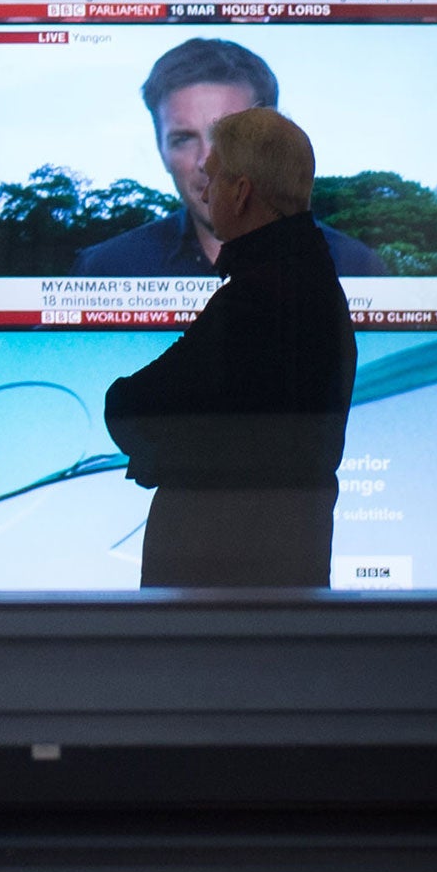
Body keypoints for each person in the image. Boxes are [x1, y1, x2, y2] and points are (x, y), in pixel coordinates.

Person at [103, 108, 358, 589]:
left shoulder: (259, 297)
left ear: (241, 193)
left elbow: (137, 408)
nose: (204, 190)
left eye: (214, 178)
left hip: (221, 597)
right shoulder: (310, 283)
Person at [71, 37, 387, 276]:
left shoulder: (354, 267)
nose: (207, 162)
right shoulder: (105, 268)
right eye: (183, 139)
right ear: (161, 150)